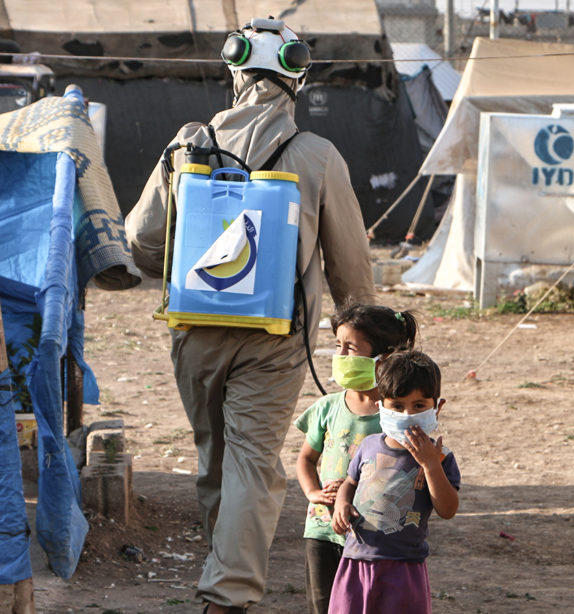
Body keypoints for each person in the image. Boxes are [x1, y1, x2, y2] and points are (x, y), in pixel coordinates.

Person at [124, 17, 375, 613]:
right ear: (298, 77)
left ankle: (224, 577)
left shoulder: (185, 144)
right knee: (253, 464)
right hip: (275, 338)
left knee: (216, 457)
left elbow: (141, 239)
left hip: (194, 329)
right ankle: (228, 593)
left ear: (234, 71)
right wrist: (361, 334)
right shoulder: (316, 154)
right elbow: (350, 265)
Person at [294, 305, 417, 614]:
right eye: (338, 346)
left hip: (370, 536)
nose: (341, 356)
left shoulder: (395, 417)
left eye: (351, 348)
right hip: (321, 529)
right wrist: (313, 493)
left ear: (384, 357)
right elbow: (306, 460)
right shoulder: (327, 407)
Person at [328, 350, 460, 614]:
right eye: (397, 406)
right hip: (356, 560)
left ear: (437, 407)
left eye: (419, 406)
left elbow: (448, 509)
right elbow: (349, 483)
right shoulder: (368, 446)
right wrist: (342, 503)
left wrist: (430, 465)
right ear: (381, 407)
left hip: (404, 567)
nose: (408, 414)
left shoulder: (441, 458)